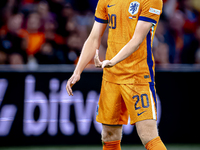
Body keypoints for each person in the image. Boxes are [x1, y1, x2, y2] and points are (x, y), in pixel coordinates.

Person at [66, 0, 167, 149]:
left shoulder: (151, 1)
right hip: (111, 77)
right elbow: (94, 37)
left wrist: (113, 60)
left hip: (137, 76)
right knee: (109, 135)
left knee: (148, 135)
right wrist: (77, 71)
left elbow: (137, 40)